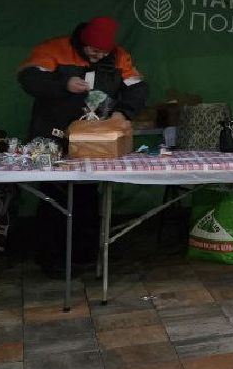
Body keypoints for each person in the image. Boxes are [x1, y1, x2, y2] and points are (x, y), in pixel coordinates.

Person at [18, 15, 148, 276]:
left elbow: (138, 87)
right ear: (83, 42)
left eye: (104, 52)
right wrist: (63, 83)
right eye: (93, 50)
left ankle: (85, 255)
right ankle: (53, 260)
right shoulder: (54, 49)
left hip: (92, 139)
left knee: (87, 195)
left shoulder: (119, 57)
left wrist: (124, 112)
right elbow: (28, 78)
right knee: (55, 196)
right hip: (53, 135)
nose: (98, 56)